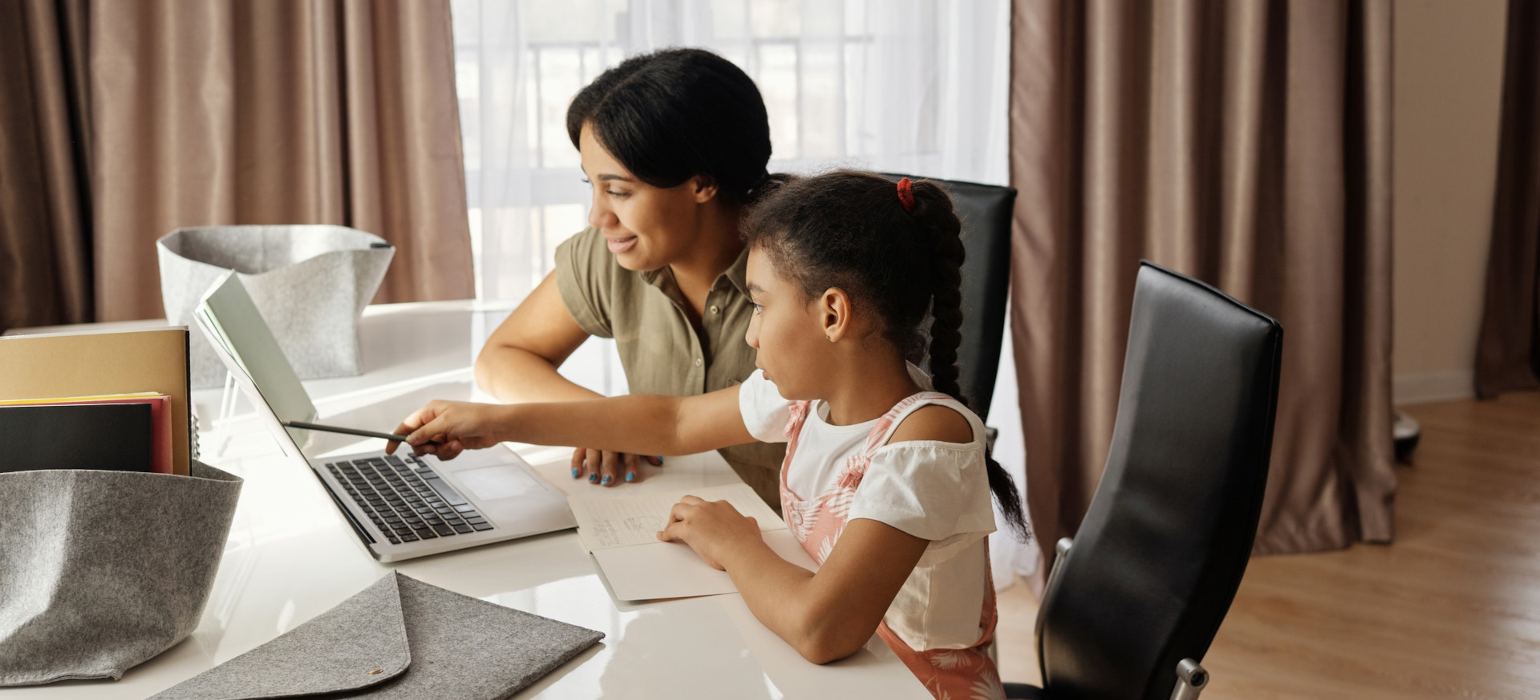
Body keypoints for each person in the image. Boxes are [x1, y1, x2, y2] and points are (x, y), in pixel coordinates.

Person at [391, 171, 1030, 697]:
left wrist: (735, 543)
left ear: (832, 313)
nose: (750, 333)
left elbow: (821, 629)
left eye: (760, 304)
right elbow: (672, 421)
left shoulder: (924, 445)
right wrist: (496, 422)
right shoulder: (811, 399)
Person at [473, 47, 785, 503]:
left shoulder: (807, 272)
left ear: (702, 183)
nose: (598, 216)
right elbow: (501, 357)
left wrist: (616, 422)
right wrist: (603, 421)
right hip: (675, 528)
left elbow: (676, 425)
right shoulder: (615, 252)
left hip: (799, 550)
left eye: (618, 190)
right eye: (592, 185)